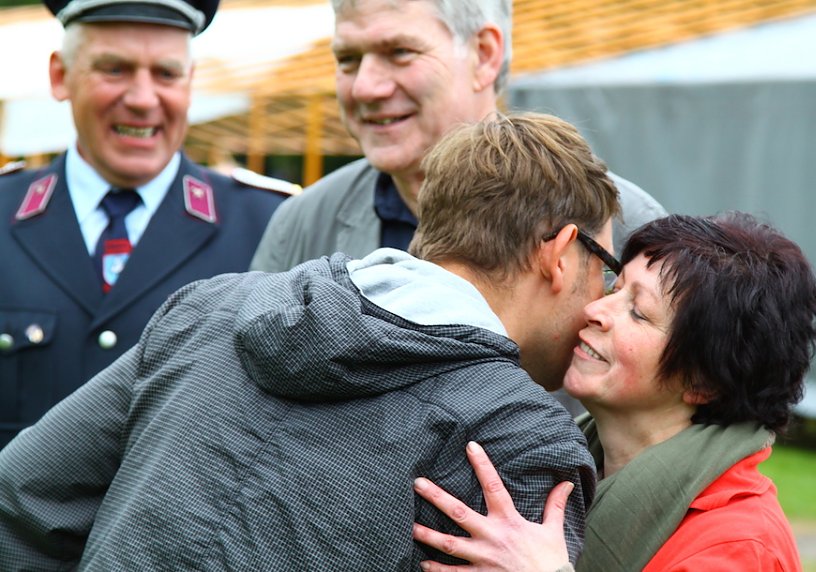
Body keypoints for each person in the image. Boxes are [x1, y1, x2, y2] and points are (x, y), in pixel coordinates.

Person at [0, 112, 619, 569]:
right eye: (605, 268)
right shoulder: (522, 439)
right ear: (561, 254)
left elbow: (23, 497)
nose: (603, 302)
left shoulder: (209, 307)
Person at [412, 212, 816, 571]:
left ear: (703, 382)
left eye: (638, 312)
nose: (595, 311)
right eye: (615, 288)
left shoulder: (739, 547)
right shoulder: (547, 462)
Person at [0, 0, 296, 447]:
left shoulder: (272, 225)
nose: (142, 99)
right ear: (60, 77)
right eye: (114, 69)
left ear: (190, 83)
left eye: (166, 74)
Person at [249, 0, 666, 274]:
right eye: (347, 59)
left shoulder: (625, 223)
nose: (364, 88)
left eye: (399, 52)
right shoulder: (301, 226)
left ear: (484, 54)